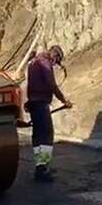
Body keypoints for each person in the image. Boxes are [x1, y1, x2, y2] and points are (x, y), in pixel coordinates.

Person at [25, 45, 72, 182]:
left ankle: (40, 166)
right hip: (41, 103)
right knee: (46, 136)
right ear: (55, 56)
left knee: (37, 136)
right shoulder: (44, 63)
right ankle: (43, 169)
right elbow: (51, 84)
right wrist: (64, 100)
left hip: (34, 103)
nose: (55, 64)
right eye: (57, 61)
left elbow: (30, 84)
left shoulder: (33, 63)